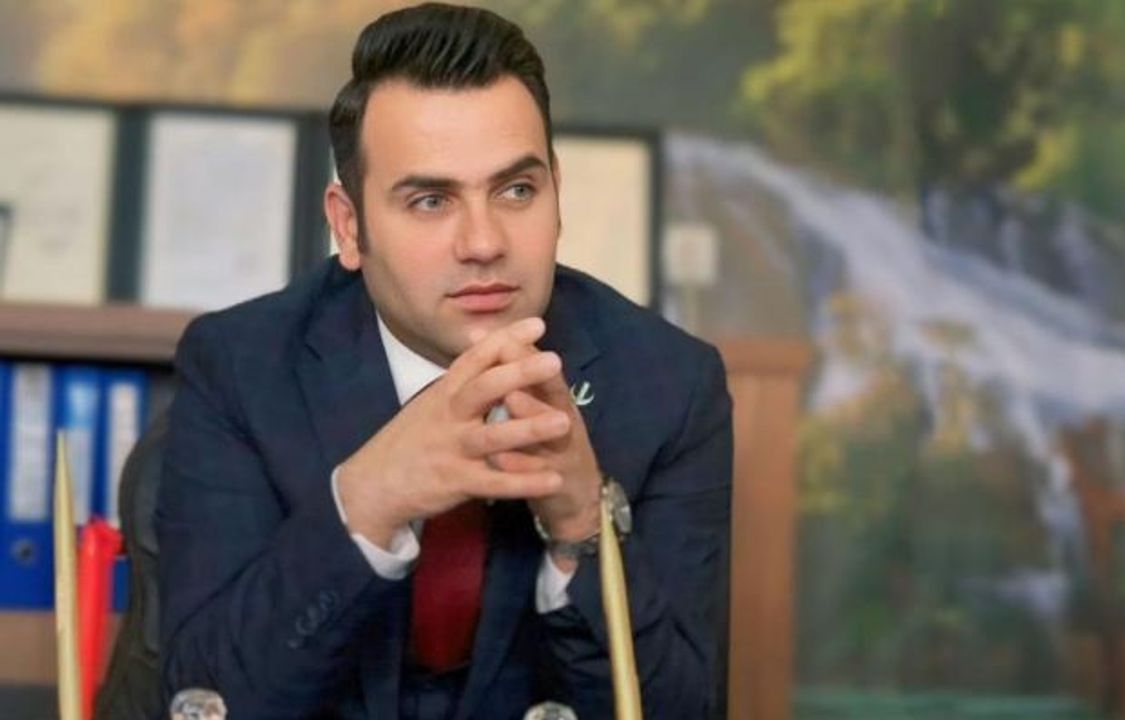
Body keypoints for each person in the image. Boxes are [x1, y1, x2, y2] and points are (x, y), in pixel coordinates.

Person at [155, 3, 733, 718]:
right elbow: (202, 701)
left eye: (516, 191)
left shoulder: (671, 386)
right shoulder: (240, 367)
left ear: (556, 194)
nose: (484, 243)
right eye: (431, 200)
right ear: (349, 226)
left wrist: (582, 525)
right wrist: (367, 500)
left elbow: (682, 709)